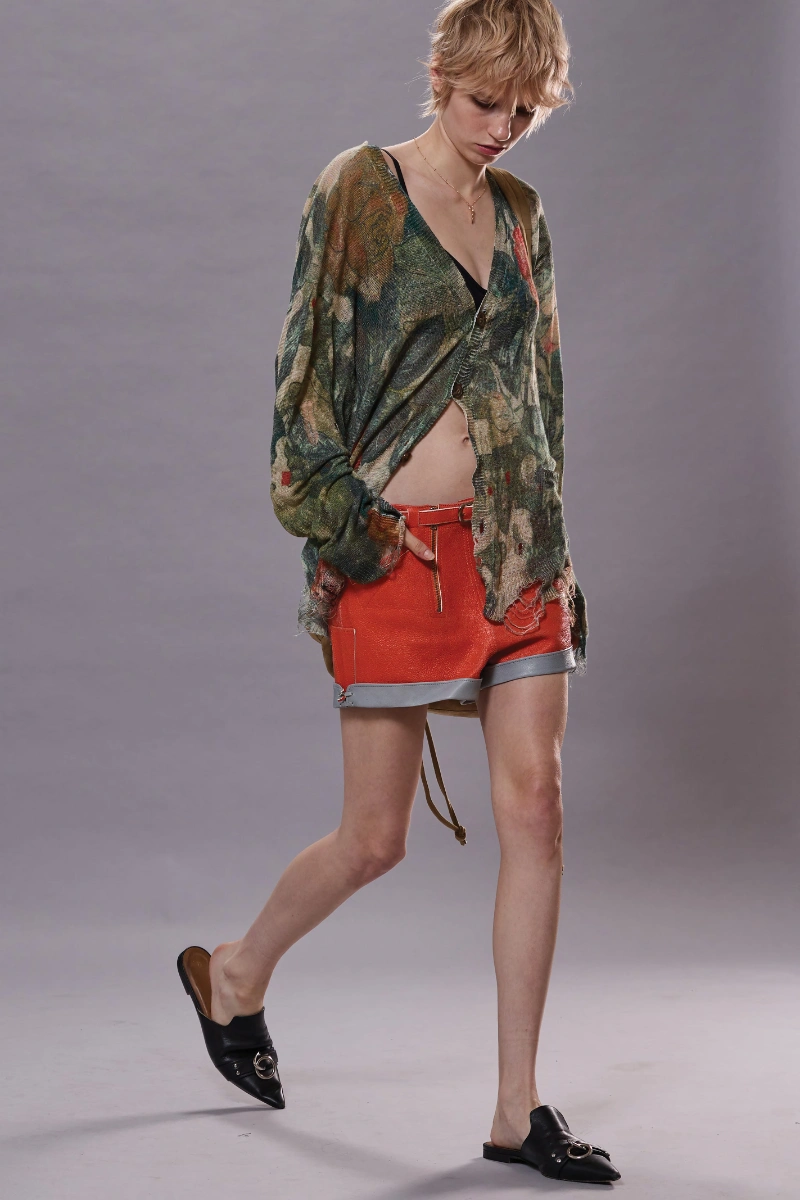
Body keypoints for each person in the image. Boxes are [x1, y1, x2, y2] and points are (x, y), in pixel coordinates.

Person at [177, 0, 621, 1185]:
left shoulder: (521, 214)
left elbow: (541, 392)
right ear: (439, 75)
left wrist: (553, 546)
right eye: (485, 101)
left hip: (515, 551)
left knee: (536, 808)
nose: (503, 127)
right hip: (398, 556)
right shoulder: (358, 190)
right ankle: (233, 974)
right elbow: (302, 391)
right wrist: (352, 534)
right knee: (375, 840)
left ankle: (515, 1110)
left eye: (524, 109)